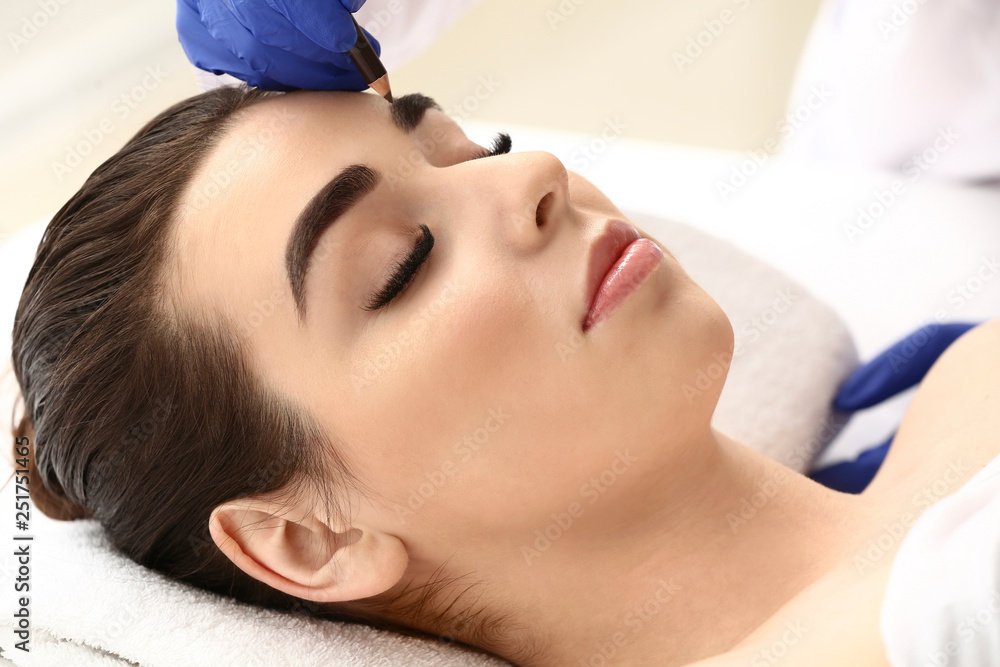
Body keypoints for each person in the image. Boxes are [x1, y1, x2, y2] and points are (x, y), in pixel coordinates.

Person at [10, 84, 1000, 666]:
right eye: (402, 262)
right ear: (309, 539)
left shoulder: (965, 380)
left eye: (475, 150)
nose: (528, 178)